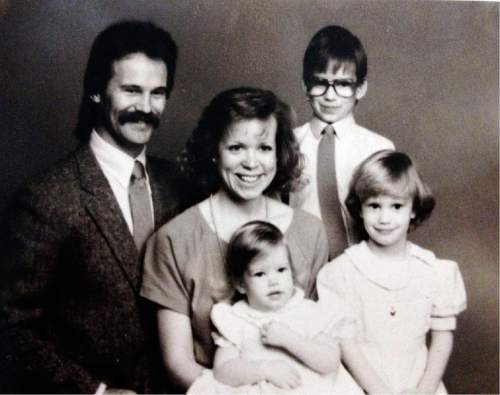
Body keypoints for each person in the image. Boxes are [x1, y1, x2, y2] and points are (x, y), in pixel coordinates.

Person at [0, 20, 185, 394]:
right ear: (97, 92)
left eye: (158, 93)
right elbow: (10, 328)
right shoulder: (46, 197)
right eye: (132, 90)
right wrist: (95, 392)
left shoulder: (178, 184)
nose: (146, 108)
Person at [140, 87, 329, 392]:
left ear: (278, 153)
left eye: (264, 148)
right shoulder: (173, 240)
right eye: (237, 147)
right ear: (214, 150)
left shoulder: (311, 232)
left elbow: (318, 336)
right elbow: (178, 364)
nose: (251, 163)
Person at [317, 150, 467, 394]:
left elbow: (442, 338)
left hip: (421, 387)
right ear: (360, 209)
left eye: (396, 206)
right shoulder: (340, 273)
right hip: (361, 387)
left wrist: (424, 390)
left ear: (413, 210)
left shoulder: (434, 271)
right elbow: (346, 344)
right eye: (374, 205)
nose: (384, 218)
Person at [187, 220, 363, 394]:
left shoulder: (307, 312)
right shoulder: (236, 319)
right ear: (241, 284)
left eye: (281, 270)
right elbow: (223, 371)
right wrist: (264, 369)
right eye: (260, 274)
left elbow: (329, 362)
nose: (273, 281)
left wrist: (290, 340)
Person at [288, 25, 395, 259]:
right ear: (305, 86)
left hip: (363, 269)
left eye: (343, 84)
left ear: (361, 88)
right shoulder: (288, 144)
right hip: (300, 268)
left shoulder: (379, 149)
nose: (330, 95)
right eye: (320, 82)